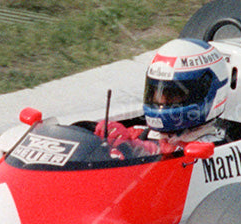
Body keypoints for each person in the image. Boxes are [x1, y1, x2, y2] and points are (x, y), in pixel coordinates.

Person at [97, 38, 230, 156]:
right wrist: (105, 131)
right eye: (157, 93)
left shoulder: (215, 146)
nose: (162, 102)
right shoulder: (149, 134)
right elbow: (123, 134)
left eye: (173, 96)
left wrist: (133, 146)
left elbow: (168, 155)